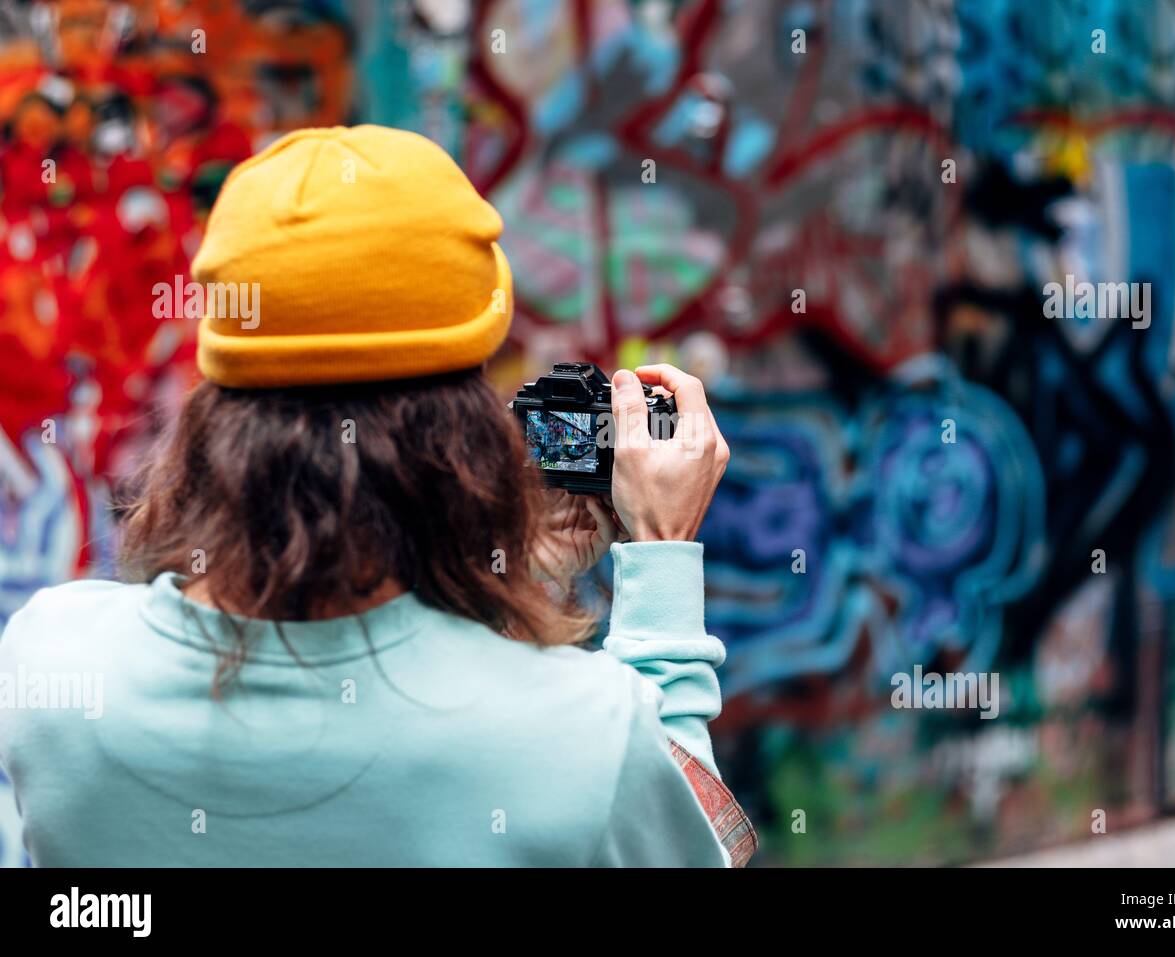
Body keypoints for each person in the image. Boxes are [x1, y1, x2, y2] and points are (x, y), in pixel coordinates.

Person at [0, 125, 754, 867]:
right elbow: (696, 843)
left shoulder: (53, 670)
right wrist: (658, 558)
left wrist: (504, 586)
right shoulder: (583, 734)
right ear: (462, 428)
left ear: (215, 401)